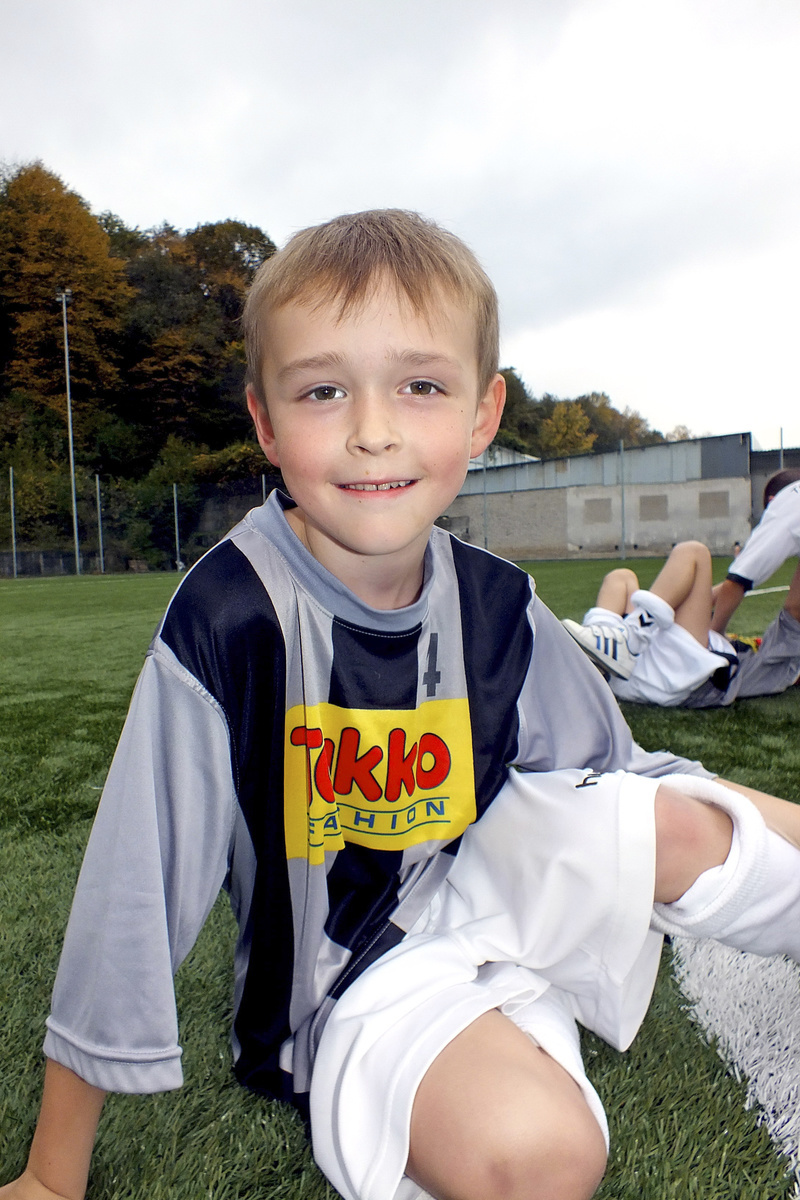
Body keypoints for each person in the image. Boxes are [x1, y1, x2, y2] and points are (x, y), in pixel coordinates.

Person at [4, 210, 800, 1200]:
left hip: (494, 876)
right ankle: (466, 1063)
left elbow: (625, 779)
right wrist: (51, 1174)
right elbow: (134, 891)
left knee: (675, 822)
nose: (372, 429)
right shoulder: (232, 618)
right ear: (264, 420)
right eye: (323, 390)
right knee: (546, 1157)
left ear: (480, 413)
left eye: (419, 386)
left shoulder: (493, 600)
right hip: (357, 972)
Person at [563, 503, 800, 710]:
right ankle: (602, 656)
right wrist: (739, 576)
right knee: (622, 577)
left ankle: (626, 641)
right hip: (645, 666)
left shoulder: (785, 658)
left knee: (694, 553)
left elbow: (795, 609)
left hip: (682, 676)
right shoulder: (782, 656)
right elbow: (717, 594)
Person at [711, 467, 800, 635]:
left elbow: (739, 580)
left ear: (772, 501)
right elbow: (794, 607)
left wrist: (714, 635)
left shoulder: (786, 503)